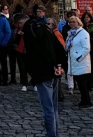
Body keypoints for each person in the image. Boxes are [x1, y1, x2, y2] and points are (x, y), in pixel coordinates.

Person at [25, 9, 66, 137]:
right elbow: (60, 50)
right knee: (53, 107)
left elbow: (40, 55)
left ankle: (52, 134)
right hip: (52, 72)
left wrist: (58, 67)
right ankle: (54, 133)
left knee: (48, 108)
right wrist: (60, 66)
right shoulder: (48, 34)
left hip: (44, 74)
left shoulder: (35, 35)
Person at [66, 15, 93, 108]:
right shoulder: (71, 34)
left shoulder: (83, 33)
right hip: (74, 62)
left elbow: (86, 48)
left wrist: (78, 57)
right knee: (80, 83)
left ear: (78, 22)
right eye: (70, 22)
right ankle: (83, 100)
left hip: (81, 62)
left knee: (83, 84)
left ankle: (87, 102)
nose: (72, 24)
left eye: (74, 22)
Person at [45, 17, 66, 102]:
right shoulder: (49, 33)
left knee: (57, 79)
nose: (47, 25)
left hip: (57, 60)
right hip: (52, 59)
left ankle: (58, 95)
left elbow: (61, 47)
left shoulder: (56, 34)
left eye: (48, 24)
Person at [11, 14, 31, 91]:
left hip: (29, 51)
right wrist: (18, 35)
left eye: (20, 23)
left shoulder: (30, 29)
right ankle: (24, 84)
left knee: (31, 68)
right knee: (22, 69)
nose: (19, 25)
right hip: (20, 51)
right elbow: (15, 41)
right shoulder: (18, 31)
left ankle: (34, 83)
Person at [7, 9, 27, 85]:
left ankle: (23, 80)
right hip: (11, 45)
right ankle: (13, 79)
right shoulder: (11, 25)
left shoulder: (22, 27)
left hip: (19, 48)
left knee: (21, 65)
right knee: (12, 64)